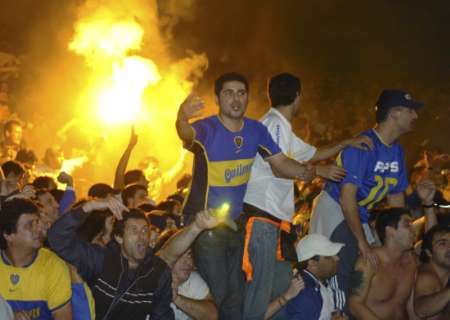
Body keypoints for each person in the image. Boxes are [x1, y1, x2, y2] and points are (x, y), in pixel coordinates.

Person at [176, 72, 315, 319]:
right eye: (228, 93)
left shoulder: (256, 130)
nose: (235, 99)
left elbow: (281, 163)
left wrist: (305, 172)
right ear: (218, 98)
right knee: (224, 296)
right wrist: (182, 116)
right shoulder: (208, 129)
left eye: (241, 93)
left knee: (237, 294)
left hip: (236, 222)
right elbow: (186, 134)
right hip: (205, 225)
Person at [242, 73, 372, 319]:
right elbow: (279, 166)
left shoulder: (282, 127)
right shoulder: (274, 123)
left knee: (276, 289)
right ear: (298, 96)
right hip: (261, 218)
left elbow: (312, 153)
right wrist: (319, 172)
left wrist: (346, 143)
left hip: (275, 223)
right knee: (258, 291)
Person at [309, 89, 432, 311]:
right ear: (394, 113)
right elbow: (347, 200)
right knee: (343, 265)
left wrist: (401, 236)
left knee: (375, 263)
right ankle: (338, 313)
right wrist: (363, 242)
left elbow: (396, 197)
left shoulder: (396, 151)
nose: (415, 116)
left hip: (360, 213)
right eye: (410, 110)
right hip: (336, 208)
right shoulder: (362, 145)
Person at [48, 196, 221, 320]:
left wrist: (198, 226)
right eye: (134, 231)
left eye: (145, 230)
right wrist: (90, 205)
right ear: (119, 237)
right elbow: (57, 238)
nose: (142, 237)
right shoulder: (100, 258)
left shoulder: (157, 272)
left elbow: (161, 315)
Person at [0, 198, 72, 319]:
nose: (38, 229)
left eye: (38, 222)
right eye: (30, 225)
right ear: (8, 235)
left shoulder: (53, 266)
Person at [348, 207, 417, 320]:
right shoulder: (369, 262)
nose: (414, 230)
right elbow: (354, 305)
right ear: (390, 231)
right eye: (407, 225)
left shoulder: (411, 262)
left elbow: (409, 304)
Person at [155, 230, 218, 320]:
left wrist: (177, 299)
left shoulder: (192, 279)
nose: (188, 262)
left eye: (189, 255)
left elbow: (212, 315)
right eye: (180, 255)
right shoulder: (150, 279)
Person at [283, 234, 346, 320]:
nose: (337, 258)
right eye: (328, 256)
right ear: (312, 263)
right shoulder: (306, 294)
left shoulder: (318, 282)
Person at [414, 225, 450, 319]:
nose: (449, 248)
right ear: (429, 253)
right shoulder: (426, 276)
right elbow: (421, 310)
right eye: (442, 244)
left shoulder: (444, 274)